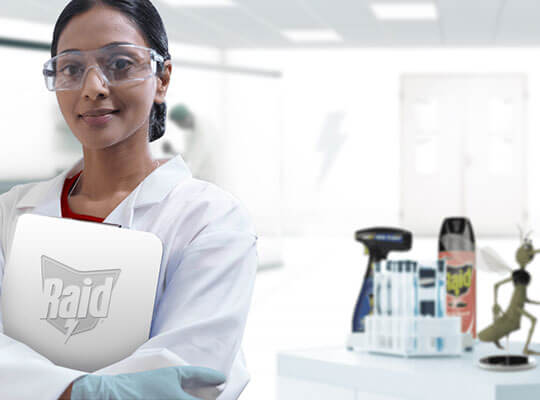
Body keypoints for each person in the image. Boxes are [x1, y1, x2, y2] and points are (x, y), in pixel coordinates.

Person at [0, 1, 258, 399]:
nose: (94, 87)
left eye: (120, 63)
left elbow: (190, 372)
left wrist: (42, 387)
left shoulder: (211, 221)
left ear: (162, 78)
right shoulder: (11, 213)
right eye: (71, 68)